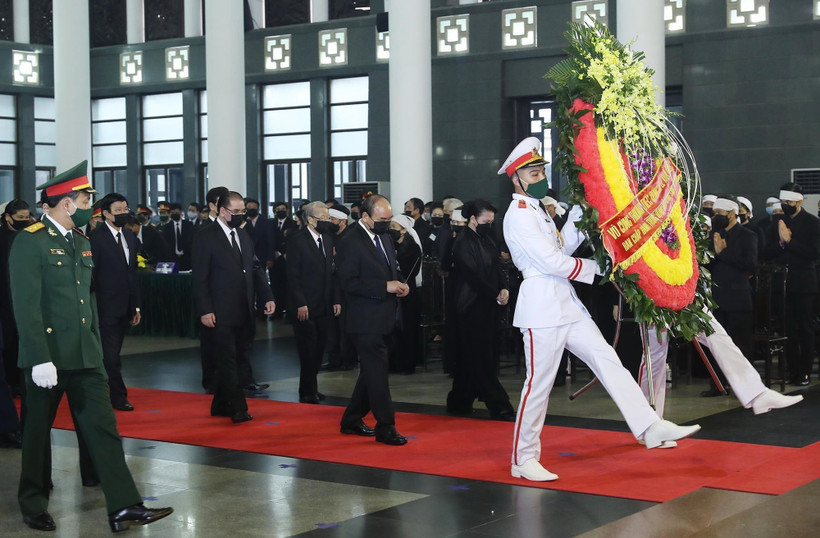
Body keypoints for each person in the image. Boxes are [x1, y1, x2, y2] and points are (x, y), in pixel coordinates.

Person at [499, 137, 700, 482]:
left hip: (565, 303)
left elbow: (562, 246)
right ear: (516, 178)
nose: (541, 179)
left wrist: (582, 210)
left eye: (541, 172)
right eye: (533, 174)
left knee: (609, 362)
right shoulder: (518, 215)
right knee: (540, 385)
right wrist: (598, 269)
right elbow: (550, 261)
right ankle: (523, 458)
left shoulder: (537, 212)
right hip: (542, 307)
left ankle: (648, 425)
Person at [9, 161, 172, 532]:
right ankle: (33, 503)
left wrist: (95, 345)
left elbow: (87, 300)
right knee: (37, 434)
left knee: (103, 430)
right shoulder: (30, 241)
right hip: (47, 358)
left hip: (85, 354)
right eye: (85, 199)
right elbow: (26, 305)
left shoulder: (80, 242)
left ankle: (124, 505)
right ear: (66, 203)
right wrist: (38, 358)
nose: (89, 207)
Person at [192, 191, 276, 423]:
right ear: (222, 210)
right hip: (219, 309)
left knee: (240, 355)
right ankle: (238, 407)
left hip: (244, 307)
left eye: (243, 212)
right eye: (236, 212)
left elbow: (255, 267)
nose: (240, 216)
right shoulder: (206, 235)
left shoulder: (243, 234)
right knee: (228, 359)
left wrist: (267, 295)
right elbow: (200, 277)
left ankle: (220, 403)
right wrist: (205, 309)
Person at [336, 194, 410, 446]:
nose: (386, 224)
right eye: (381, 219)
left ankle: (351, 419)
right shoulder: (349, 240)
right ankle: (386, 426)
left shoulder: (385, 237)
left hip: (385, 315)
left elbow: (393, 268)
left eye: (389, 219)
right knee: (377, 372)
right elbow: (348, 282)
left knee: (372, 371)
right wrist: (384, 286)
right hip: (363, 318)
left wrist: (400, 284)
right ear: (365, 216)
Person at [637, 317, 803, 420]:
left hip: (682, 281)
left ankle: (757, 393)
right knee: (656, 353)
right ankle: (649, 421)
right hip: (649, 284)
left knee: (716, 334)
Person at [446, 199, 515, 421]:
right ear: (473, 219)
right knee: (479, 355)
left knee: (474, 356)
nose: (490, 224)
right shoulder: (462, 242)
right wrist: (495, 293)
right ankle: (498, 403)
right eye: (486, 220)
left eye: (492, 221)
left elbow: (495, 267)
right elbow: (472, 275)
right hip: (470, 306)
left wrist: (504, 288)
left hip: (487, 304)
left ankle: (459, 400)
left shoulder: (487, 239)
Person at [763, 183, 820, 386]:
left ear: (799, 201)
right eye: (783, 202)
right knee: (788, 329)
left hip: (803, 283)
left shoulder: (813, 223)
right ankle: (792, 369)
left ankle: (804, 371)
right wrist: (780, 243)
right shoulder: (778, 222)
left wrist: (789, 241)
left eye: (789, 202)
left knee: (804, 328)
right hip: (781, 283)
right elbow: (766, 253)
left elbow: (813, 253)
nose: (786, 205)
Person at [89, 193, 142, 411]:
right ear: (106, 214)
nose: (123, 213)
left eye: (125, 208)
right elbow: (93, 275)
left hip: (126, 306)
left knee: (113, 353)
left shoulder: (130, 237)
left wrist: (136, 305)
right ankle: (118, 396)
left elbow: (133, 274)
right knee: (110, 356)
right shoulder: (95, 238)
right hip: (105, 306)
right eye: (118, 210)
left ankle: (102, 390)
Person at [703, 196, 758, 396]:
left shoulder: (747, 235)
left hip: (738, 298)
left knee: (740, 344)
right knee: (717, 344)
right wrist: (714, 252)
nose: (717, 218)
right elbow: (705, 263)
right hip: (716, 297)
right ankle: (717, 384)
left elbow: (750, 264)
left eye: (720, 214)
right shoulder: (713, 235)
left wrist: (722, 252)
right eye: (715, 214)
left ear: (733, 214)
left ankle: (745, 386)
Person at [287, 202, 341, 403]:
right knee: (308, 349)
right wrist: (300, 303)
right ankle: (306, 390)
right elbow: (293, 276)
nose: (327, 222)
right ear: (310, 220)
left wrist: (336, 299)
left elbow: (333, 272)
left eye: (328, 218)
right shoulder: (297, 241)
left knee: (319, 348)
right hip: (306, 305)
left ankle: (313, 388)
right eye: (323, 218)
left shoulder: (327, 239)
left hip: (324, 303)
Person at [1, 199, 31, 395]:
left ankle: (23, 380)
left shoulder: (30, 236)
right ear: (7, 217)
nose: (25, 221)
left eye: (27, 217)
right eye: (20, 218)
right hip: (4, 297)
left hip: (26, 296)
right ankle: (11, 381)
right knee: (8, 340)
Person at [388, 215, 423, 375]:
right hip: (391, 291)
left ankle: (407, 363)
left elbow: (411, 271)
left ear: (403, 230)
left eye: (395, 227)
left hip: (407, 292)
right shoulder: (389, 244)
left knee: (407, 328)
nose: (392, 230)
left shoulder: (413, 248)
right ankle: (392, 363)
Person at [271, 201, 296, 319]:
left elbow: (293, 241)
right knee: (275, 286)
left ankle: (289, 312)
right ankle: (278, 311)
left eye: (282, 208)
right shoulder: (270, 224)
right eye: (278, 209)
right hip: (274, 260)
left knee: (288, 286)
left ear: (287, 210)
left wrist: (282, 251)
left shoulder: (293, 224)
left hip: (287, 258)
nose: (280, 211)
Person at [161, 202, 194, 271]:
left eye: (176, 212)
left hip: (187, 258)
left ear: (180, 212)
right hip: (172, 258)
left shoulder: (189, 225)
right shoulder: (166, 227)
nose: (174, 214)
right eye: (172, 212)